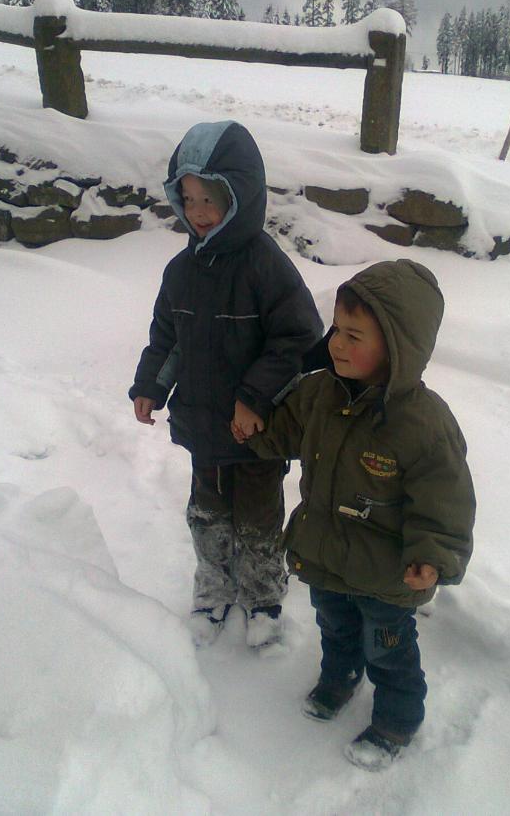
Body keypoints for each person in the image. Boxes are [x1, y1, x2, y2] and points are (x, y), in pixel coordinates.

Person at [233, 259, 475, 770]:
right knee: (335, 627)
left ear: (397, 346)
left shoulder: (423, 423)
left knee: (388, 648)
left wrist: (432, 557)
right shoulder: (319, 392)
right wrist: (258, 432)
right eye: (337, 330)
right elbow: (287, 432)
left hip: (386, 572)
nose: (337, 344)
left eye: (354, 335)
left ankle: (398, 717)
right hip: (325, 553)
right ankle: (340, 677)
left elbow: (444, 501)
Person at [130, 120, 322, 650]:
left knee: (258, 518)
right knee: (208, 514)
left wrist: (254, 398)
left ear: (241, 195)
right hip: (203, 423)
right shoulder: (180, 271)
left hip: (255, 431)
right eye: (188, 198)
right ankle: (213, 588)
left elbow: (297, 338)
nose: (197, 211)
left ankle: (262, 595)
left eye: (210, 198)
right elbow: (169, 336)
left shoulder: (266, 267)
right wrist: (151, 385)